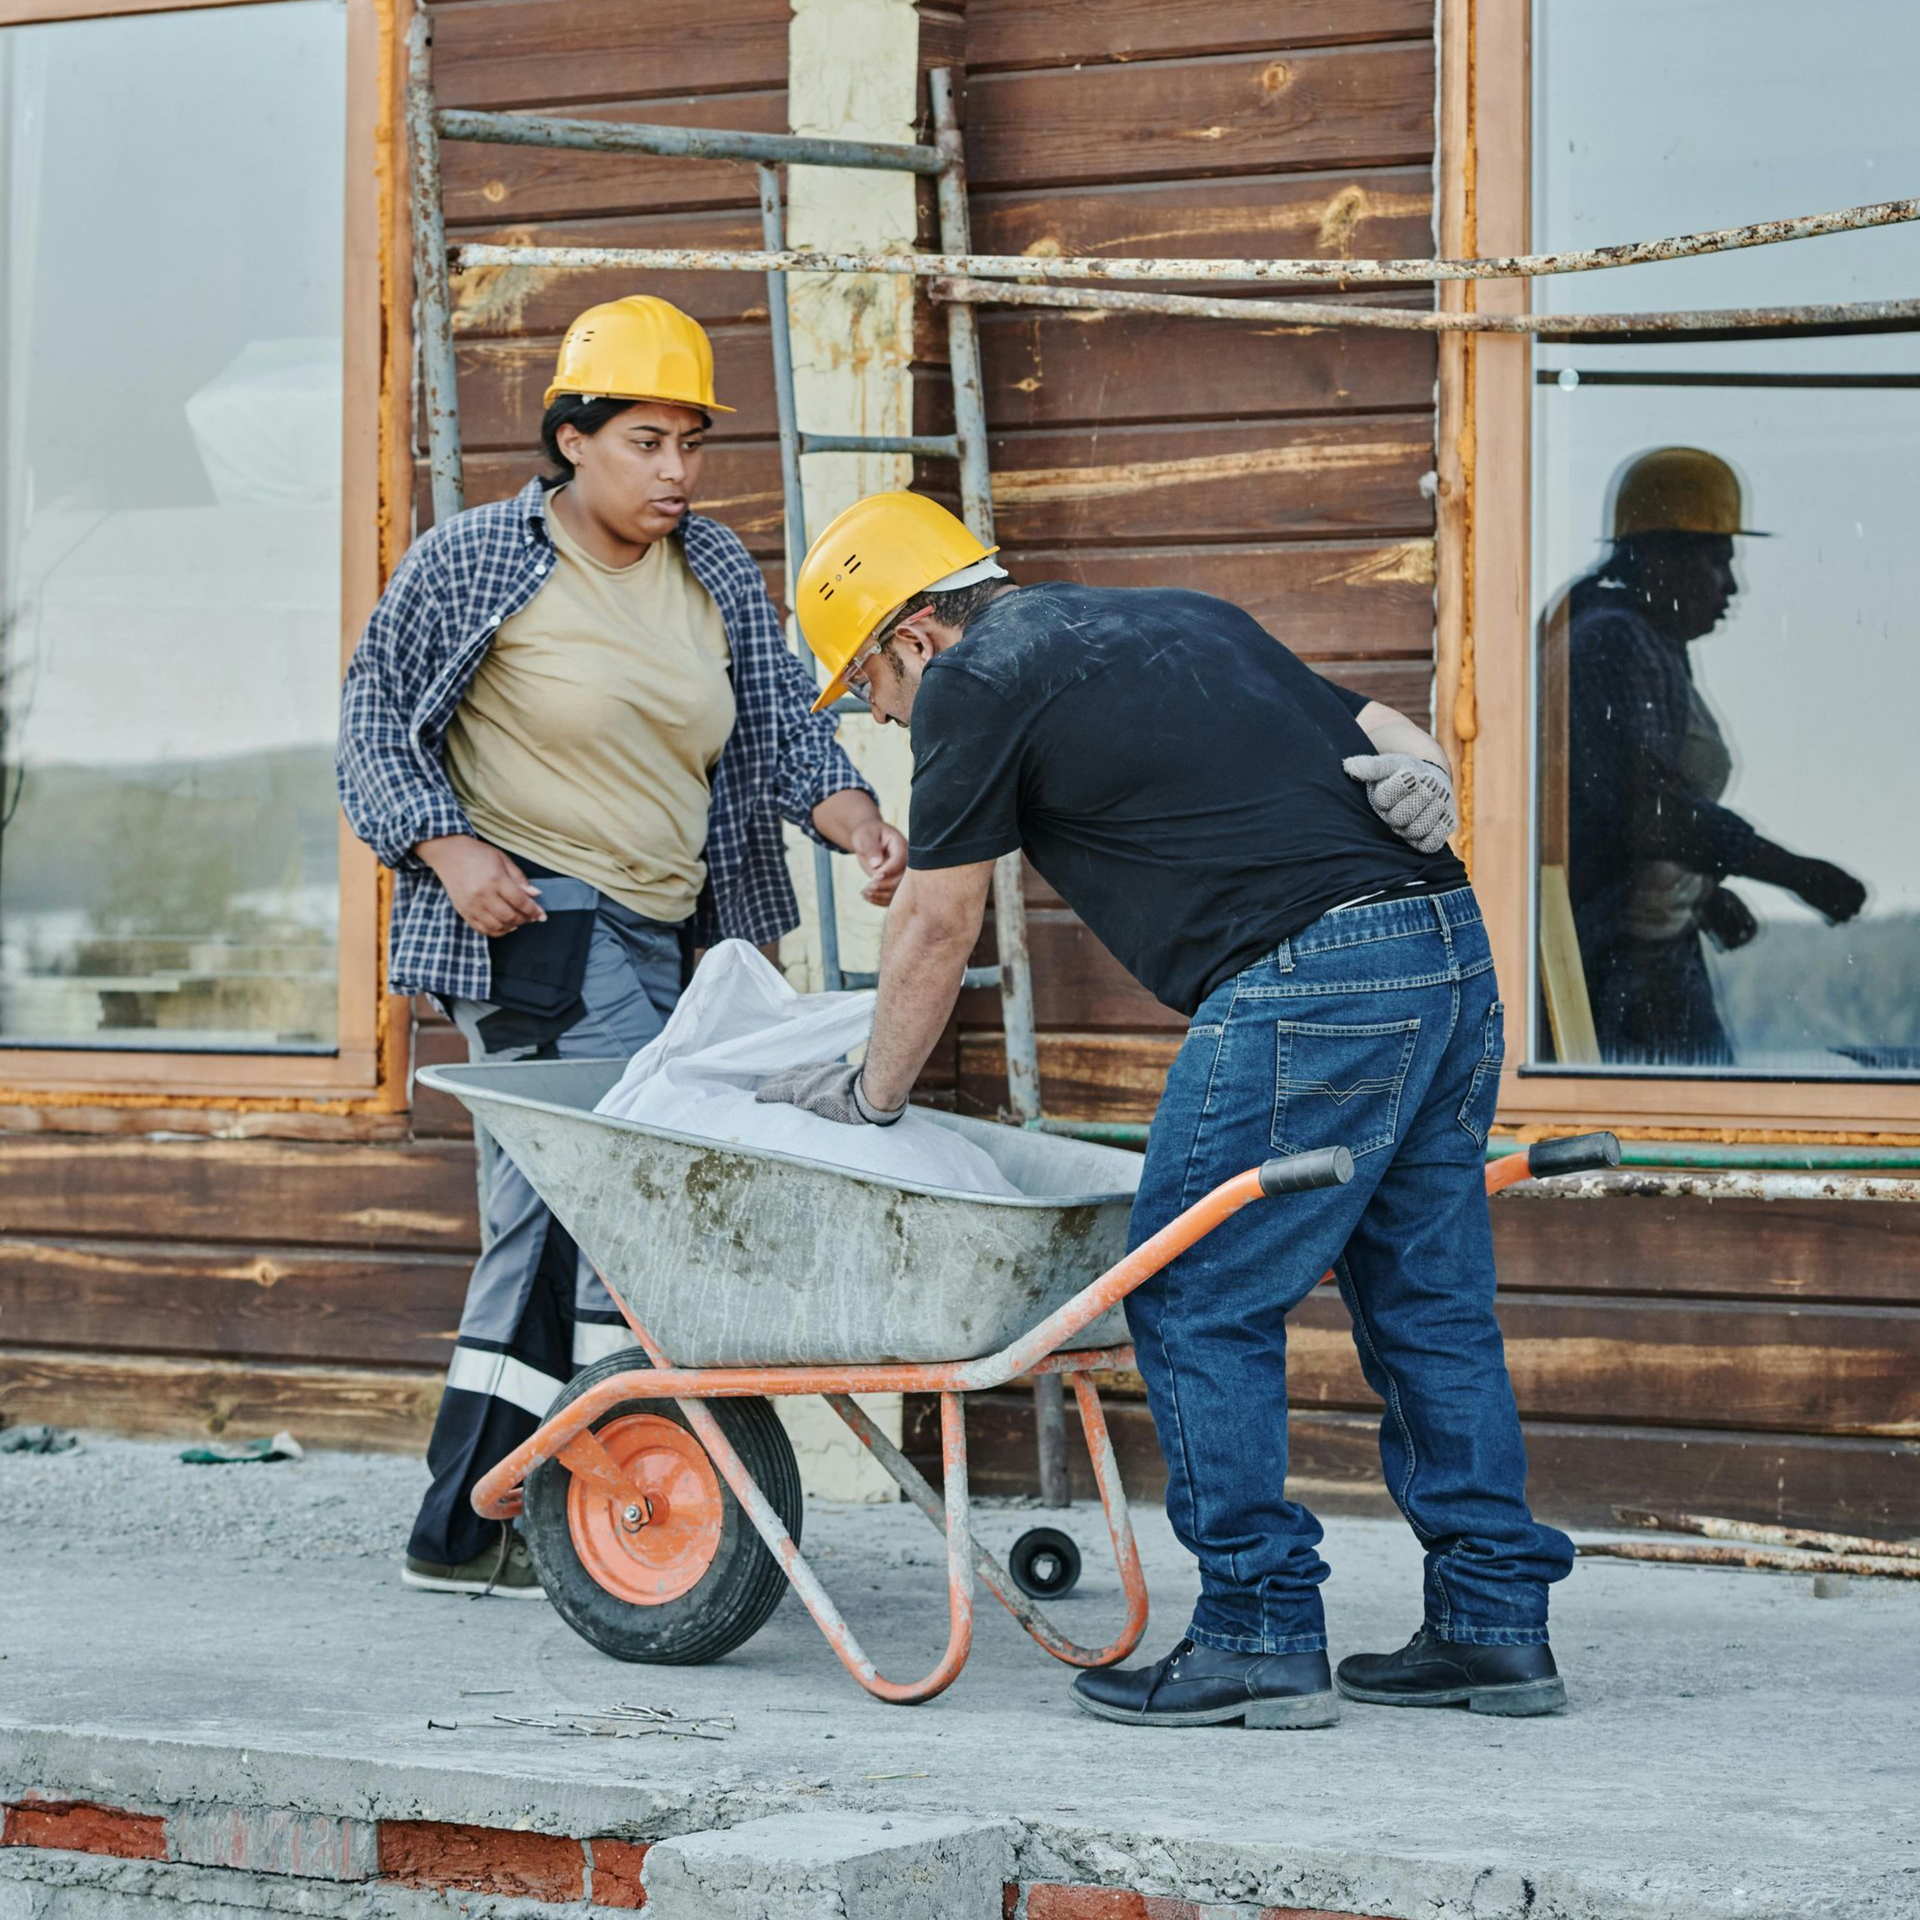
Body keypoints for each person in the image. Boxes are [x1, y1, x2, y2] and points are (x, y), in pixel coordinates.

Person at [759, 492, 1575, 1727]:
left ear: (918, 635)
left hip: (1310, 973)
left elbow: (938, 921)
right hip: (1447, 951)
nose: (878, 715)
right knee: (1428, 1295)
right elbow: (1379, 724)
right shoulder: (1179, 615)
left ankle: (1255, 1629)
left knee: (1195, 1287)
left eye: (870, 684)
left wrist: (871, 1096)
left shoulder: (979, 680)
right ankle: (1492, 1625)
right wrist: (1429, 771)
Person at [337, 296, 906, 1596]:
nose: (676, 472)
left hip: (675, 938)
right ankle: (542, 1509)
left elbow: (775, 731)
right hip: (540, 924)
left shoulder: (710, 571)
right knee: (606, 1199)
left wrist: (860, 820)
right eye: (646, 440)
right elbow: (371, 724)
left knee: (558, 1215)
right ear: (573, 438)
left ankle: (485, 1521)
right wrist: (447, 845)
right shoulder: (479, 562)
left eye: (690, 444)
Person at [1556, 446, 1865, 1065]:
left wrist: (1702, 893)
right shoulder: (1614, 641)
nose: (1732, 584)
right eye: (1718, 559)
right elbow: (1651, 814)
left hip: (1650, 957)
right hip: (1629, 971)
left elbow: (1625, 812)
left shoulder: (1641, 640)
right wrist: (1800, 874)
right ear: (1665, 558)